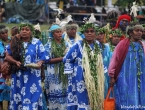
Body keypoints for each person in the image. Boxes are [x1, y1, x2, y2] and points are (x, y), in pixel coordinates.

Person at [5, 23, 49, 110]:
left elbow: (44, 56)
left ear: (31, 32)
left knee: (32, 98)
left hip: (32, 76)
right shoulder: (15, 42)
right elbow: (8, 56)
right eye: (22, 29)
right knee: (18, 97)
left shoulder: (37, 42)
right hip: (18, 75)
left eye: (27, 30)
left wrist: (40, 63)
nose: (24, 31)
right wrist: (16, 62)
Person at [63, 22, 104, 110]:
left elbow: (100, 60)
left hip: (95, 75)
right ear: (84, 33)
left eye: (92, 31)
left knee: (94, 97)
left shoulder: (97, 45)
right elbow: (66, 58)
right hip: (80, 77)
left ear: (95, 33)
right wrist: (73, 73)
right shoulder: (78, 45)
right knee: (82, 98)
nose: (89, 33)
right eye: (87, 31)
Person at [108, 23, 145, 109]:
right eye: (137, 30)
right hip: (124, 78)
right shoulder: (122, 44)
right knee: (125, 99)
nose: (139, 33)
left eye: (141, 31)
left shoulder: (143, 45)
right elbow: (114, 60)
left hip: (140, 79)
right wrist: (112, 76)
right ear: (130, 32)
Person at [44, 24, 68, 110]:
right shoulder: (48, 45)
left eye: (60, 32)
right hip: (53, 72)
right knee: (55, 90)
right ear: (52, 34)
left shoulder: (66, 44)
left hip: (65, 72)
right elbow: (46, 60)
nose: (59, 34)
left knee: (65, 90)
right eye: (57, 32)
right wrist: (62, 58)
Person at [96, 27, 111, 98]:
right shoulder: (91, 47)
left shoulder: (107, 47)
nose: (100, 36)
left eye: (101, 34)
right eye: (98, 34)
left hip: (106, 76)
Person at [0, 25, 11, 110]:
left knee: (11, 90)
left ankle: (9, 107)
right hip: (1, 70)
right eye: (2, 33)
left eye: (6, 32)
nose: (5, 34)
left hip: (11, 69)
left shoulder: (12, 41)